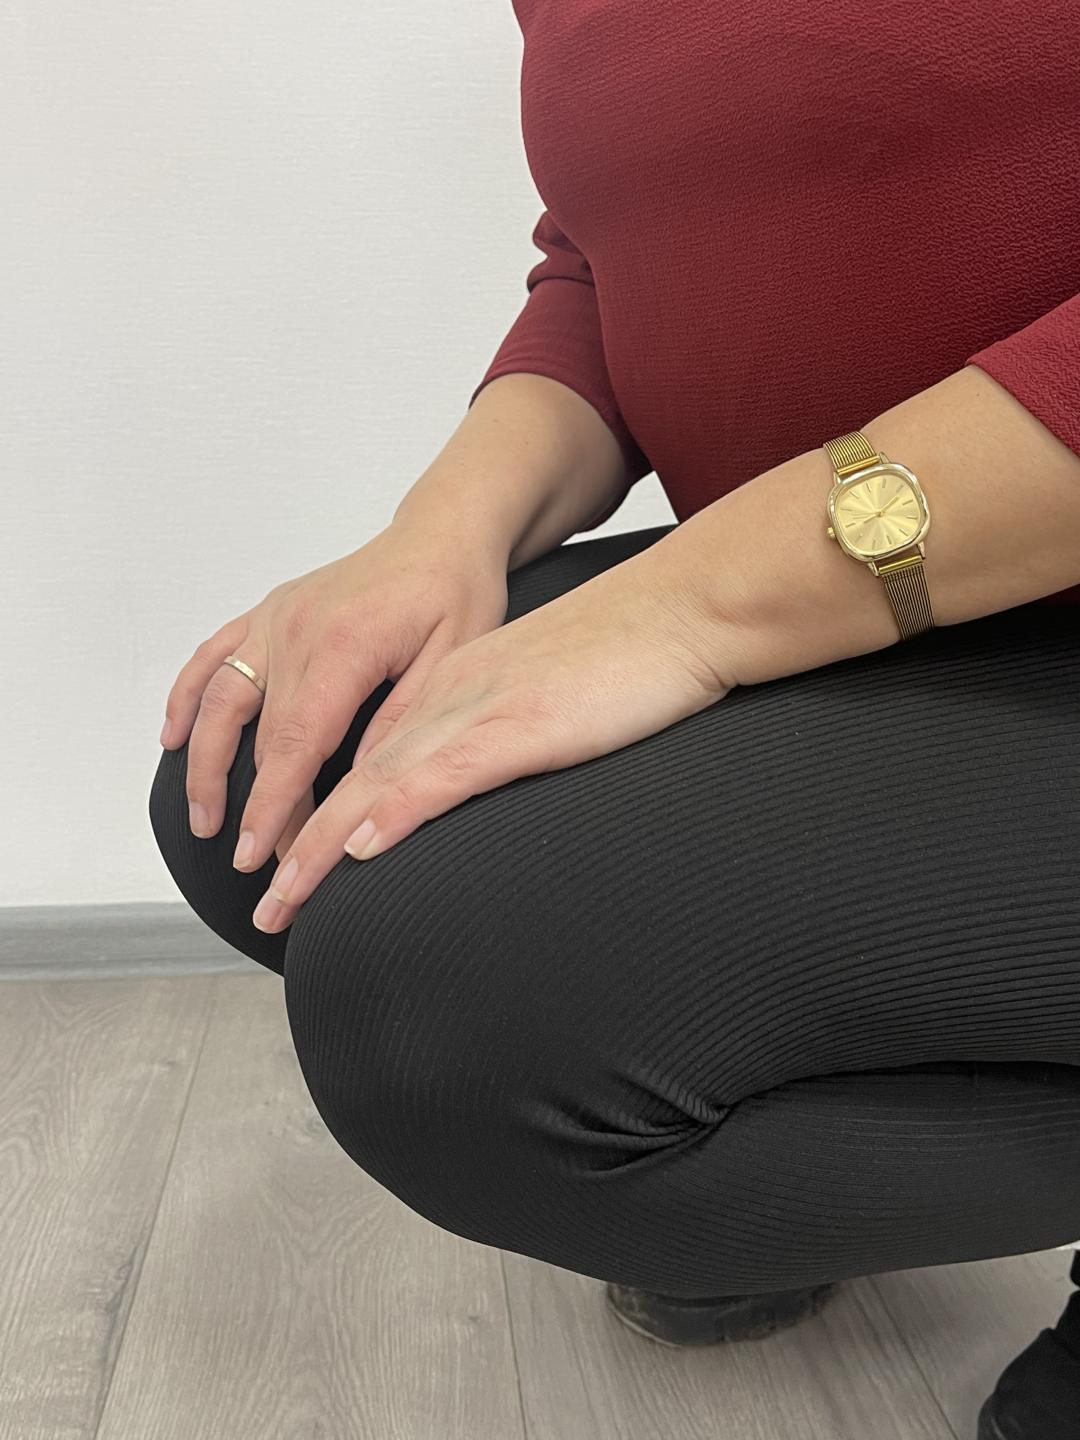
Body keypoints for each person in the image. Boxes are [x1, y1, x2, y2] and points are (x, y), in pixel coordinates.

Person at [149, 3, 1080, 1436]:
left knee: (448, 1004)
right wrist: (441, 534)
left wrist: (687, 611)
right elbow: (613, 248)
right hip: (884, 602)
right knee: (268, 776)